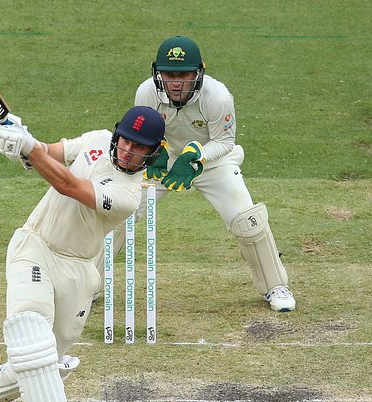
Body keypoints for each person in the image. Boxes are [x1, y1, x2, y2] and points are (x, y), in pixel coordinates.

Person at [0, 106, 165, 402]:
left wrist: (29, 148)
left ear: (152, 153)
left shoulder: (130, 195)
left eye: (140, 147)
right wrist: (21, 144)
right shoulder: (98, 140)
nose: (129, 150)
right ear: (118, 135)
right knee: (32, 332)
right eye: (126, 141)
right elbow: (50, 153)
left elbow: (68, 185)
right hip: (36, 245)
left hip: (78, 269)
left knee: (48, 360)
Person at [102, 35, 295, 313]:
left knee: (247, 220)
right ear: (158, 73)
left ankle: (275, 285)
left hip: (213, 161)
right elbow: (143, 133)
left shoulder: (217, 97)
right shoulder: (146, 92)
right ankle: (89, 283)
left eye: (184, 74)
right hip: (163, 161)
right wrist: (157, 154)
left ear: (198, 73)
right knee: (119, 209)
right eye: (169, 74)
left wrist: (196, 156)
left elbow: (225, 142)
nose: (176, 82)